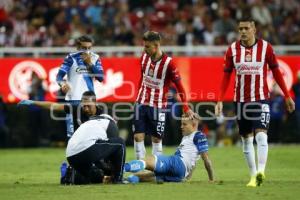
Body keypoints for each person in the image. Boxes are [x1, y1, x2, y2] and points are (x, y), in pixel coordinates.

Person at [214, 17, 295, 187]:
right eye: (240, 28)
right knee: (246, 139)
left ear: (254, 29)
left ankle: (261, 172)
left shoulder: (266, 48)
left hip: (260, 98)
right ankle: (252, 176)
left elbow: (277, 72)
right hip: (241, 101)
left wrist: (287, 95)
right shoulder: (232, 50)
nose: (243, 31)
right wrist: (219, 99)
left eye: (246, 28)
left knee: (261, 135)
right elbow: (226, 76)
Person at [18, 91, 125, 184]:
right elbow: (53, 106)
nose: (86, 109)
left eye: (89, 106)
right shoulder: (77, 109)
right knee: (96, 173)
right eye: (84, 105)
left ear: (95, 103)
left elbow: (112, 138)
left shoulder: (107, 113)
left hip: (97, 146)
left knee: (98, 176)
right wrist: (33, 102)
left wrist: (110, 164)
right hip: (82, 146)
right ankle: (71, 172)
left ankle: (69, 175)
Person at [133, 31, 194, 160]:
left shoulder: (169, 64)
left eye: (147, 46)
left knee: (156, 139)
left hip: (158, 105)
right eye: (144, 46)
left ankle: (157, 170)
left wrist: (186, 108)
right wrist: (137, 96)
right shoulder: (144, 57)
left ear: (156, 45)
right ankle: (140, 167)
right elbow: (142, 77)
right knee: (138, 136)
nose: (145, 49)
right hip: (141, 102)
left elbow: (180, 87)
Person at [124, 113, 214, 183]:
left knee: (148, 161)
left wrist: (211, 179)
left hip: (177, 163)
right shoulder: (187, 137)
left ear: (194, 125)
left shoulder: (198, 135)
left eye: (184, 124)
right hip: (180, 175)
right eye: (181, 124)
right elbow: (193, 162)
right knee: (146, 177)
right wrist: (187, 177)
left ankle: (121, 168)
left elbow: (206, 159)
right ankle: (124, 180)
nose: (181, 126)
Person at [56, 35, 104, 139]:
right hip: (73, 100)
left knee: (91, 135)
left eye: (89, 48)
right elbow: (59, 77)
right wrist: (62, 84)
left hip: (89, 101)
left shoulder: (95, 58)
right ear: (78, 47)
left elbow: (101, 78)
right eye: (84, 48)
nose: (86, 51)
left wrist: (90, 64)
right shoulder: (71, 58)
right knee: (72, 136)